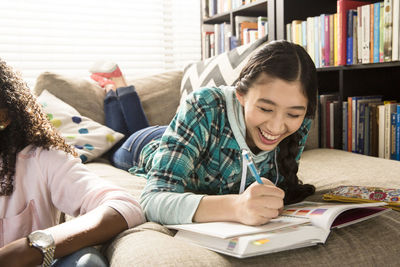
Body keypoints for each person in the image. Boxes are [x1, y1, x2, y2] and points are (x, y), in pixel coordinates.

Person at [92, 40, 317, 227]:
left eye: (293, 115)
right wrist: (236, 206)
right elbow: (153, 200)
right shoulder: (205, 105)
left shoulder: (300, 121)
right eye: (266, 109)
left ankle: (117, 87)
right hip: (146, 145)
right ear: (240, 95)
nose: (277, 127)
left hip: (184, 135)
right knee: (117, 138)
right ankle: (115, 88)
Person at [0, 59, 146, 267]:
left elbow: (124, 206)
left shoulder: (40, 160)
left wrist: (27, 248)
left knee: (88, 262)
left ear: (4, 116)